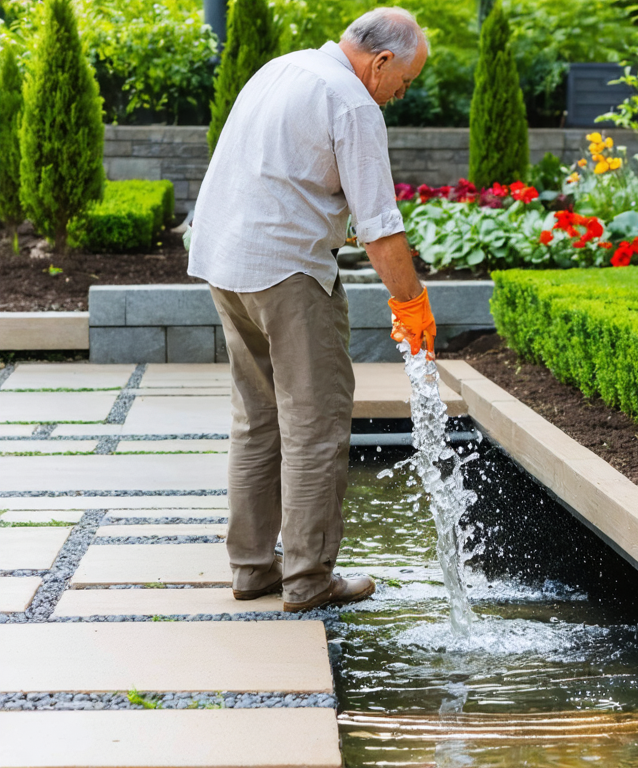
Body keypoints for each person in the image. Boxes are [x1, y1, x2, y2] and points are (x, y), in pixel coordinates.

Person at [189, 7, 438, 613]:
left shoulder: (285, 68)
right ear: (380, 62)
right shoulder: (351, 102)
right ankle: (308, 579)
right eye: (401, 85)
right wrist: (412, 304)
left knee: (257, 418)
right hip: (288, 272)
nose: (396, 99)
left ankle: (252, 567)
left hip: (226, 262)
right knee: (317, 424)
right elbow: (380, 227)